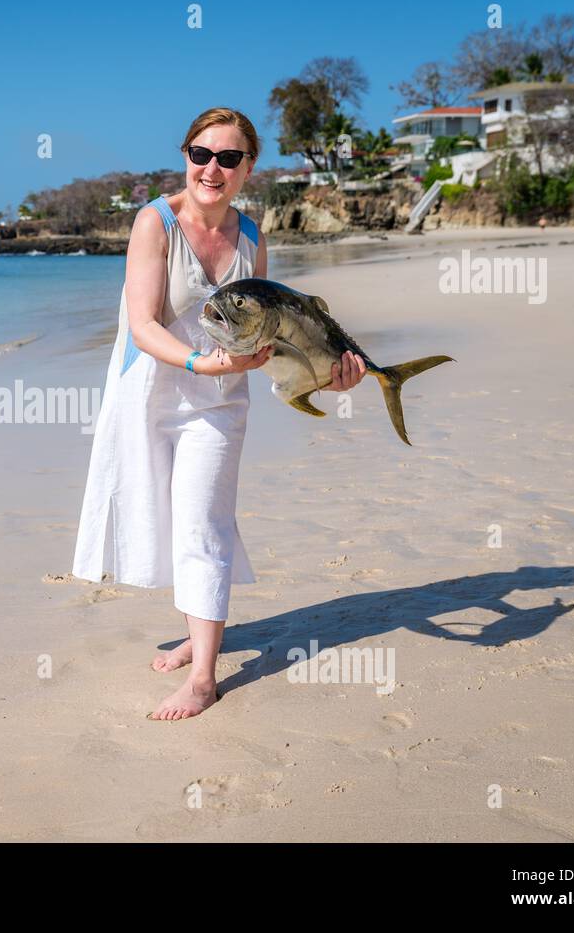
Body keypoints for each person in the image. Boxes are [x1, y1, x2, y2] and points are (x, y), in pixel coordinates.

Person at [70, 107, 367, 721]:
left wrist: (326, 380)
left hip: (220, 403)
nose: (212, 168)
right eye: (201, 154)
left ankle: (204, 676)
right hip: (148, 392)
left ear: (248, 168)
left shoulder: (252, 237)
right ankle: (194, 633)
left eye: (229, 158)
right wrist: (201, 364)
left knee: (204, 519)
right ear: (185, 156)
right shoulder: (154, 222)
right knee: (168, 517)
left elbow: (271, 336)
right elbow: (142, 325)